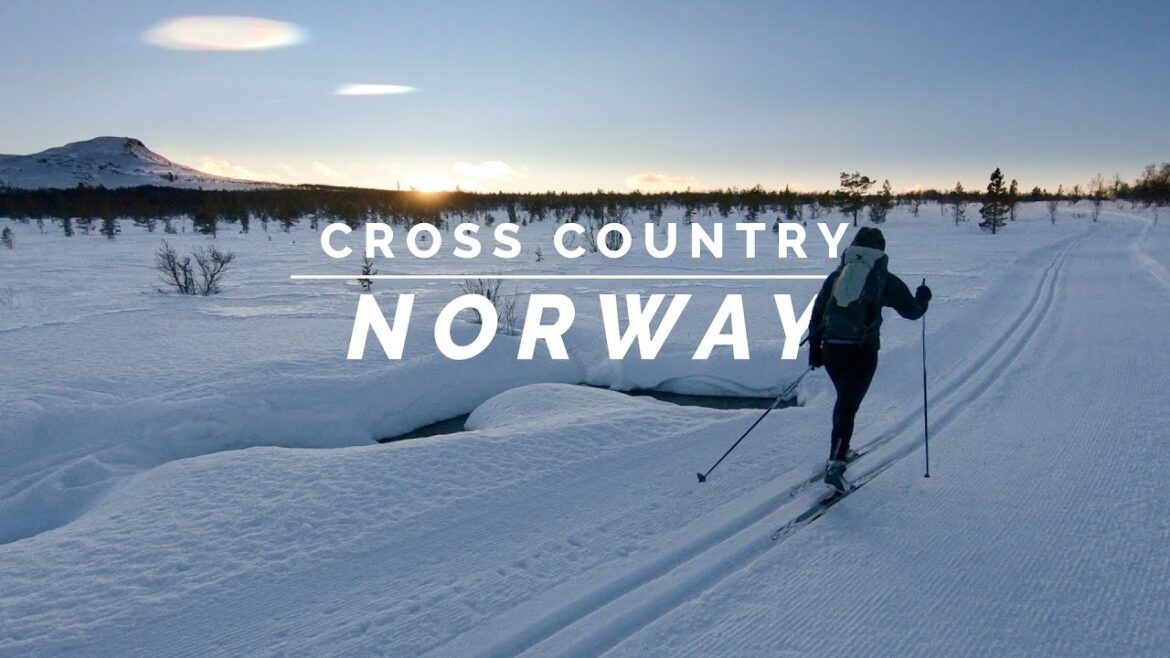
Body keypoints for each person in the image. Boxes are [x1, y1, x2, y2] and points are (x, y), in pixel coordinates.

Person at [808, 227, 931, 494]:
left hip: (831, 349)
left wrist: (814, 351)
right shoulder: (883, 278)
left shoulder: (836, 276)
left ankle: (841, 448)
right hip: (861, 351)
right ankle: (836, 464)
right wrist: (924, 297)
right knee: (848, 405)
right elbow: (912, 312)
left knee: (844, 400)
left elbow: (818, 312)